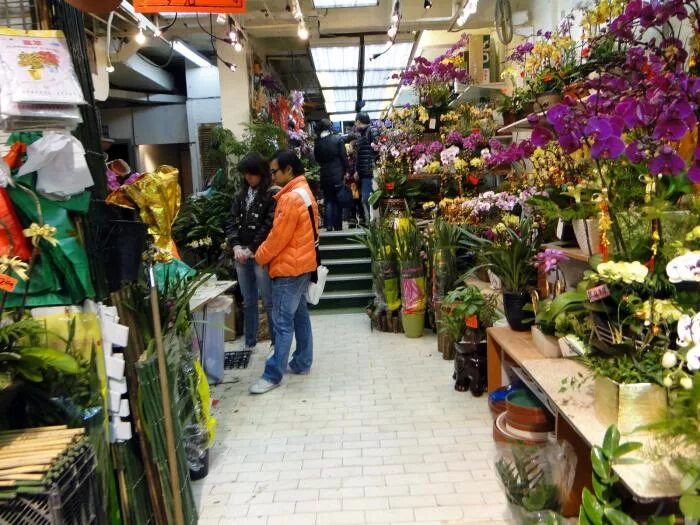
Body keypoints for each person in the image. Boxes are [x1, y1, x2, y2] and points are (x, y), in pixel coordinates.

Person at [251, 150, 319, 394]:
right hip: (303, 265)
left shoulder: (290, 199)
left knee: (281, 322)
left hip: (289, 269)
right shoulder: (305, 192)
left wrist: (258, 256)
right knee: (299, 316)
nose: (272, 175)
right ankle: (302, 362)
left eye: (274, 171)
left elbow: (277, 237)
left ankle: (273, 374)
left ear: (288, 170)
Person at [225, 153, 278, 353]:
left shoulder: (270, 195)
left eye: (252, 174)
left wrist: (252, 248)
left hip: (260, 254)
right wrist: (236, 245)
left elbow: (268, 225)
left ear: (261, 173)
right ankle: (249, 342)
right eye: (246, 174)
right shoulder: (240, 195)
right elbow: (230, 220)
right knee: (248, 300)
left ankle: (275, 342)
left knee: (268, 300)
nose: (248, 178)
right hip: (241, 254)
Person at [314, 119, 348, 231]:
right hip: (337, 173)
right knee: (337, 199)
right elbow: (344, 157)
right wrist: (346, 170)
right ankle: (337, 225)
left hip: (325, 173)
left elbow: (317, 159)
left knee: (328, 199)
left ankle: (328, 225)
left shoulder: (317, 142)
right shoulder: (338, 139)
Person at [353, 111, 378, 222]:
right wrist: (357, 170)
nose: (355, 124)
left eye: (355, 122)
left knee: (367, 198)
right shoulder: (363, 133)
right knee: (366, 198)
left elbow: (377, 149)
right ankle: (371, 223)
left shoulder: (371, 131)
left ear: (358, 121)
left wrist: (373, 167)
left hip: (370, 172)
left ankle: (373, 223)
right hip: (364, 172)